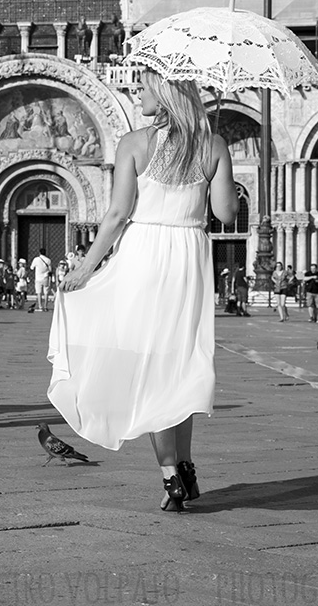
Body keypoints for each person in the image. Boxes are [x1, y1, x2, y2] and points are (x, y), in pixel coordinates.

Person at [49, 69, 237, 512]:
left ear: (164, 94)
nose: (137, 94)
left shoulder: (133, 143)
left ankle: (171, 475)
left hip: (144, 254)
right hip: (189, 256)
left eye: (143, 87)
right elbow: (227, 213)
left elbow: (116, 216)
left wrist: (84, 268)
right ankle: (186, 467)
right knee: (180, 363)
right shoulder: (213, 146)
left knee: (151, 367)